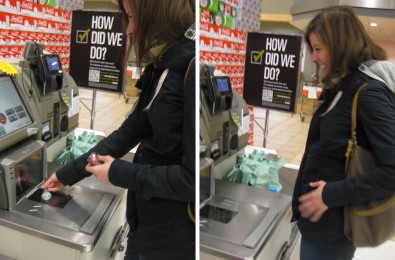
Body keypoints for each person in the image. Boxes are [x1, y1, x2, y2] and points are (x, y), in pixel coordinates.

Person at [41, 0, 196, 259]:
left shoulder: (190, 69)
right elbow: (131, 130)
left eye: (133, 18)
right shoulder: (164, 65)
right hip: (143, 223)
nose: (129, 30)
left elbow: (190, 180)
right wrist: (69, 173)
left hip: (171, 240)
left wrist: (119, 172)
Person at [292, 5, 395, 260]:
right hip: (319, 227)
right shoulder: (343, 85)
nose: (313, 58)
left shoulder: (367, 92)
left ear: (341, 45)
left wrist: (329, 194)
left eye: (318, 49)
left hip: (332, 233)